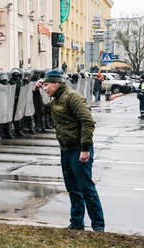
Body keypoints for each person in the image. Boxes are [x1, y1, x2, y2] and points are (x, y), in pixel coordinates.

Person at [37, 70, 105, 231]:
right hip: (65, 150)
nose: (45, 89)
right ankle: (76, 224)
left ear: (56, 83)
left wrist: (85, 149)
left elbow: (88, 122)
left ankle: (98, 227)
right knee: (73, 189)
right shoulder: (56, 100)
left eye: (47, 85)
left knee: (86, 189)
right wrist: (35, 92)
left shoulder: (73, 97)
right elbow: (41, 110)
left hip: (78, 150)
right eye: (43, 86)